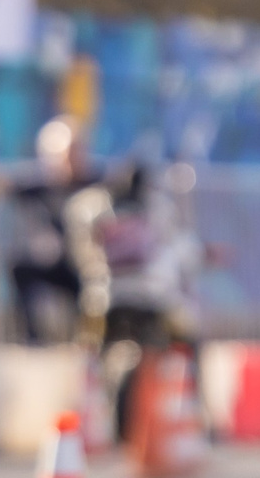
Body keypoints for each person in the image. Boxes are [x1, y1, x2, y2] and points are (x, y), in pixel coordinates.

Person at [65, 160, 206, 445]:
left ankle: (86, 416)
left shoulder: (89, 208)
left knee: (90, 354)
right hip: (151, 301)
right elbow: (182, 250)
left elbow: (81, 253)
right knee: (188, 342)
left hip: (103, 301)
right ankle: (195, 412)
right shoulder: (157, 209)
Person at [8, 119, 94, 344]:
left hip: (89, 264)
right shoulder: (42, 187)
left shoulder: (94, 184)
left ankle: (86, 337)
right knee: (20, 269)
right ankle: (32, 338)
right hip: (59, 262)